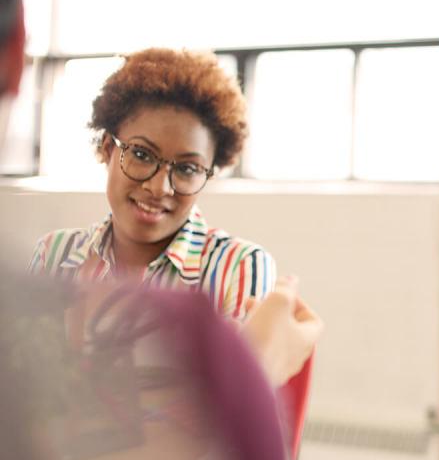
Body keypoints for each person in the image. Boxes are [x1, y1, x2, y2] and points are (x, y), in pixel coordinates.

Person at [30, 47, 272, 319]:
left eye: (187, 168)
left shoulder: (237, 267)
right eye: (142, 154)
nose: (159, 188)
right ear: (109, 149)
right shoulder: (55, 255)